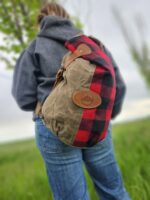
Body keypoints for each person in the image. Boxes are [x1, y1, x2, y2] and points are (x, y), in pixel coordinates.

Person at [12, 2, 131, 200]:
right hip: (96, 123)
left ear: (40, 23)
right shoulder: (94, 45)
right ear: (67, 18)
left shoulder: (34, 48)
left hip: (53, 127)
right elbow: (118, 86)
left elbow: (23, 97)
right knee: (114, 191)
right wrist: (106, 117)